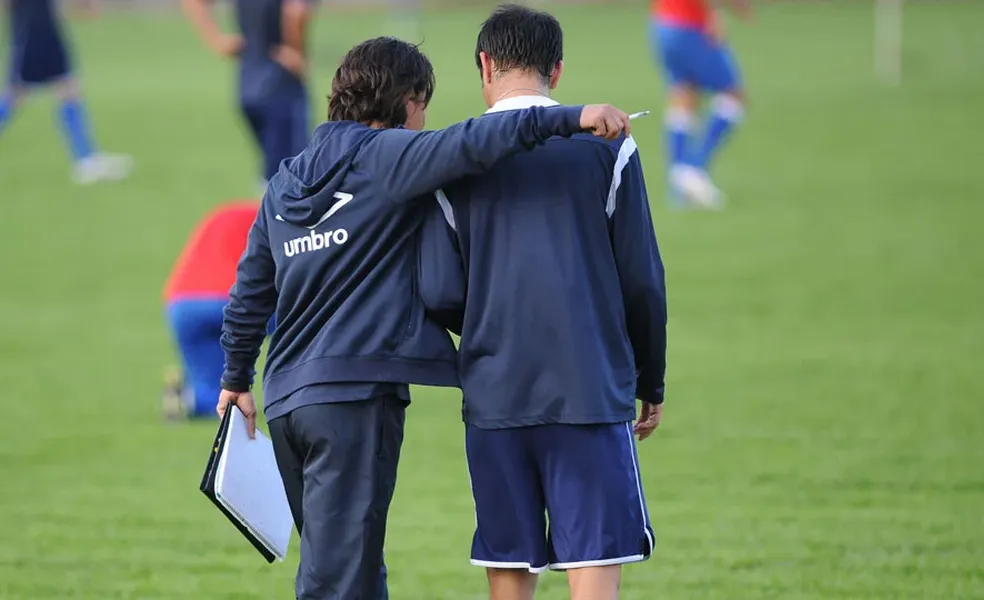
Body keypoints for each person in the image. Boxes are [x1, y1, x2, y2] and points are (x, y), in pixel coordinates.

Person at [216, 36, 633, 600]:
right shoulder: (386, 156)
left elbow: (249, 292)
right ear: (406, 100)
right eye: (423, 108)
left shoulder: (285, 180)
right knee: (339, 580)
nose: (424, 123)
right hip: (351, 402)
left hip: (288, 403)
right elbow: (477, 139)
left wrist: (236, 377)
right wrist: (571, 118)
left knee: (346, 566)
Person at [419, 6, 667, 599]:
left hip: (495, 394)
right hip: (588, 389)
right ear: (557, 68)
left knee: (509, 578)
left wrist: (487, 323)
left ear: (484, 65)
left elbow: (437, 289)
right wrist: (649, 381)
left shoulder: (452, 161)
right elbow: (642, 281)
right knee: (596, 569)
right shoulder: (610, 148)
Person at [181, 0, 315, 189]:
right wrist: (297, 51)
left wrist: (216, 40)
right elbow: (295, 12)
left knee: (274, 171)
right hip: (281, 84)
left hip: (247, 85)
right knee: (293, 176)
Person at [0, 0, 132, 184]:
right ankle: (86, 159)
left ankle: (86, 158)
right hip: (33, 19)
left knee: (67, 86)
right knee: (18, 92)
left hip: (41, 17)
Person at [162, 201, 271, 420]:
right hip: (233, 297)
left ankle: (187, 398)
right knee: (302, 324)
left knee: (214, 399)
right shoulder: (271, 217)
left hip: (184, 304)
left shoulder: (220, 215)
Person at [650, 0, 750, 208]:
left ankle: (678, 187)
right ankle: (693, 168)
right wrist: (714, 13)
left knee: (684, 96)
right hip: (690, 26)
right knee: (734, 94)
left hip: (663, 25)